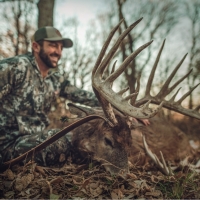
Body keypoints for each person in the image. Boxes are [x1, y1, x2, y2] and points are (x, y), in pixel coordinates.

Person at [0, 26, 99, 168]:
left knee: (79, 140)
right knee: (60, 142)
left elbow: (84, 96)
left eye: (60, 47)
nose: (58, 52)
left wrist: (122, 109)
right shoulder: (15, 67)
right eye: (53, 45)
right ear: (35, 46)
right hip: (7, 146)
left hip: (33, 142)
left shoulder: (54, 79)